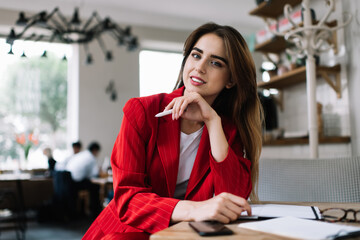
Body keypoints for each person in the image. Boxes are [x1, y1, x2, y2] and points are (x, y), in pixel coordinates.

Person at [83, 22, 263, 240]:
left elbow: (234, 199)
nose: (200, 67)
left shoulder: (226, 129)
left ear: (231, 80)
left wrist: (212, 121)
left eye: (215, 63)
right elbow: (128, 198)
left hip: (182, 235)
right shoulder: (142, 111)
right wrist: (194, 209)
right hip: (125, 233)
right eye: (196, 56)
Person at [65, 141, 102, 218]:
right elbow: (93, 175)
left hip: (69, 181)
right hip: (76, 182)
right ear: (95, 150)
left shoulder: (82, 154)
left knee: (92, 185)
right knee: (96, 187)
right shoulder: (91, 158)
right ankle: (95, 212)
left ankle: (92, 210)